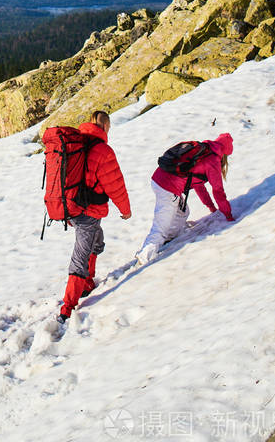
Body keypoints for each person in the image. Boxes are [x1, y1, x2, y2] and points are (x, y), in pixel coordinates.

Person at [58, 110, 132, 323]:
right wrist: (125, 210)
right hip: (88, 212)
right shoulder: (103, 151)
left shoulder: (75, 144)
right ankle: (67, 307)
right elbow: (115, 184)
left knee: (96, 241)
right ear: (106, 127)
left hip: (69, 207)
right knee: (80, 256)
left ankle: (88, 282)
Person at [136, 132, 235, 265]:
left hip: (159, 178)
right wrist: (228, 215)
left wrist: (212, 207)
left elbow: (199, 186)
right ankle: (145, 257)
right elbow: (218, 191)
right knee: (161, 225)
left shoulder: (203, 151)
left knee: (182, 212)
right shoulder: (213, 160)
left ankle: (169, 237)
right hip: (168, 186)